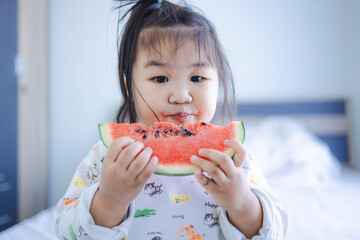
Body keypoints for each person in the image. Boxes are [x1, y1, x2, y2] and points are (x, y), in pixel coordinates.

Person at [55, 0, 289, 239]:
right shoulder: (107, 157)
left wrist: (242, 205)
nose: (181, 96)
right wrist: (109, 200)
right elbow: (66, 232)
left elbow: (276, 233)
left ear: (218, 81)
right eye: (160, 78)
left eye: (197, 78)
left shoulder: (235, 160)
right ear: (129, 85)